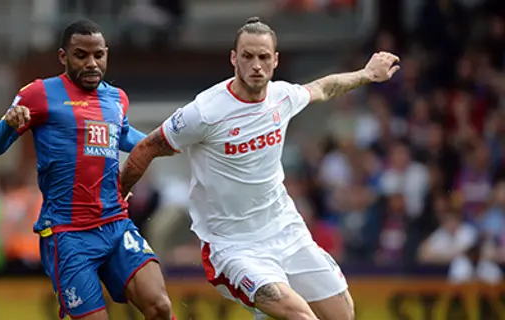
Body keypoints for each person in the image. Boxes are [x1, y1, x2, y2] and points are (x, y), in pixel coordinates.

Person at [120, 17, 400, 320]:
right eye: (247, 56)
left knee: (343, 314)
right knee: (301, 316)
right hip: (233, 247)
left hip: (285, 230)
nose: (256, 65)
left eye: (263, 57)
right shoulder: (204, 112)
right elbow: (146, 147)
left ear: (275, 60)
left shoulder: (282, 97)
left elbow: (324, 88)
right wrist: (119, 193)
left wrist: (367, 74)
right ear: (233, 58)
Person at [0, 19, 175, 320]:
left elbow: (129, 139)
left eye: (98, 55)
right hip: (68, 234)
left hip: (114, 222)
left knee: (160, 306)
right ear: (63, 56)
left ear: (107, 53)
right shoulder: (39, 94)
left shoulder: (116, 98)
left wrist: (174, 140)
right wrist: (7, 125)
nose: (92, 63)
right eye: (81, 55)